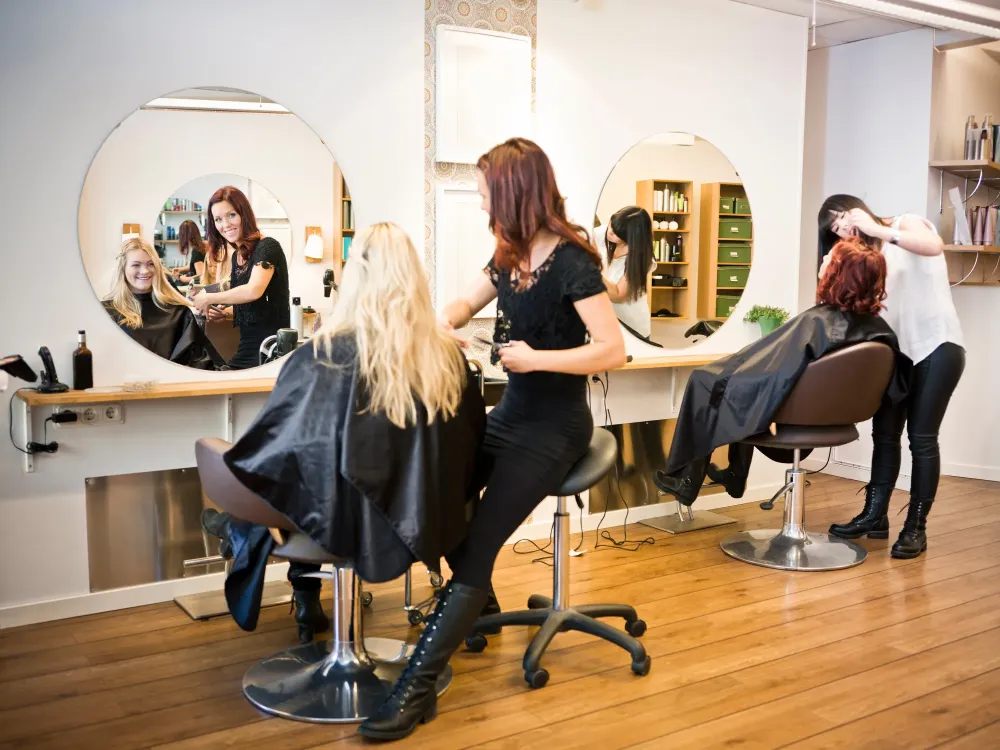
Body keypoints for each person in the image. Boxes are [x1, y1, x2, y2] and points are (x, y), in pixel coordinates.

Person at [358, 138, 626, 742]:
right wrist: (443, 321)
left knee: (477, 546)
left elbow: (613, 350)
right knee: (443, 497)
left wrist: (538, 358)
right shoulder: (507, 255)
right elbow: (465, 300)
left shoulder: (576, 261)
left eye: (485, 191)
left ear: (512, 192)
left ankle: (416, 689)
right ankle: (478, 604)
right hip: (509, 414)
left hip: (555, 428)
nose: (481, 201)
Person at [202, 223, 487, 643]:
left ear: (354, 278)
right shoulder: (446, 357)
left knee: (295, 470)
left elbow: (281, 446)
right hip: (415, 515)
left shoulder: (323, 354)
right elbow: (468, 454)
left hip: (332, 517)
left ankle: (254, 542)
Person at [652, 237, 909, 507]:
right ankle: (734, 474)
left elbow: (771, 372)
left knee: (706, 380)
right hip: (833, 416)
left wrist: (733, 371)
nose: (821, 261)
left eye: (828, 259)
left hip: (795, 416)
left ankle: (687, 480)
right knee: (736, 384)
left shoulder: (818, 321)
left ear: (838, 273)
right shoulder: (878, 331)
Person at [818, 195, 965, 559]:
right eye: (836, 230)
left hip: (937, 346)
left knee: (922, 438)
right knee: (884, 434)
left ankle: (916, 527)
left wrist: (875, 228)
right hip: (895, 355)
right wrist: (827, 269)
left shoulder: (906, 223)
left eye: (844, 218)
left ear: (859, 208)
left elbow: (934, 246)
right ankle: (875, 516)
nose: (844, 228)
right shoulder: (865, 261)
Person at [191, 186, 290, 369]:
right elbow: (252, 309)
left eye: (231, 215)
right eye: (218, 219)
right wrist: (224, 312)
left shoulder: (268, 247)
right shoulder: (238, 256)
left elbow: (253, 291)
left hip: (268, 351)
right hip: (247, 350)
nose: (226, 225)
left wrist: (209, 297)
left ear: (244, 214)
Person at [102, 237, 221, 370]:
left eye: (150, 264)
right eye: (136, 265)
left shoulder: (179, 313)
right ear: (122, 269)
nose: (145, 271)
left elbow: (200, 364)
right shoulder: (106, 312)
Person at [595, 206, 656, 338]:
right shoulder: (609, 232)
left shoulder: (641, 258)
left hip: (633, 329)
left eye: (616, 232)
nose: (609, 231)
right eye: (611, 225)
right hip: (610, 324)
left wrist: (590, 271)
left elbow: (618, 295)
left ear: (631, 237)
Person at [170, 219, 206, 284]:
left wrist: (181, 278)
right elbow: (194, 264)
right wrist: (181, 269)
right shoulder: (202, 246)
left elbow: (201, 276)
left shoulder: (196, 251)